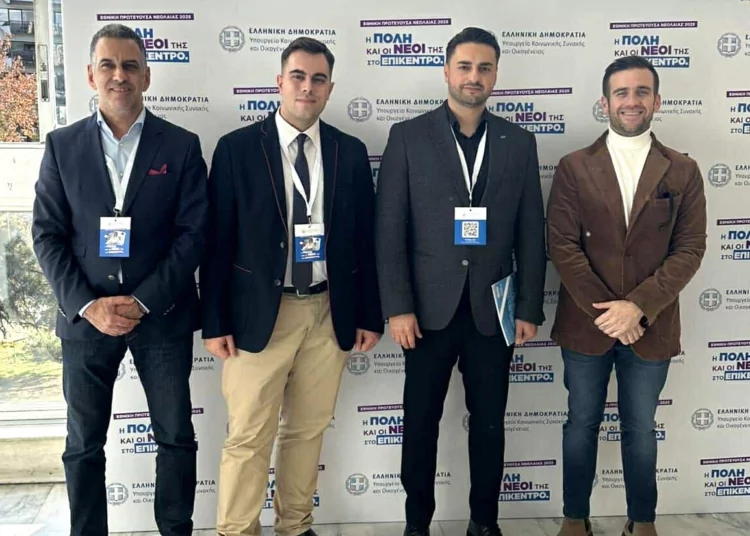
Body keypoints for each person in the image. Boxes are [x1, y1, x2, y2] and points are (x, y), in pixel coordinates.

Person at [200, 37, 383, 536]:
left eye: (318, 79)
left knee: (306, 432)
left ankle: (296, 527)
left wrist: (369, 314)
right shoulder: (237, 148)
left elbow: (364, 242)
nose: (307, 87)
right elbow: (216, 242)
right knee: (248, 436)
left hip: (327, 311)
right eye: (298, 77)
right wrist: (214, 321)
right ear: (279, 82)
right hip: (258, 316)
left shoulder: (349, 151)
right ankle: (237, 530)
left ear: (329, 88)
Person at [32, 23, 208, 536]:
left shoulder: (182, 146)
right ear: (90, 75)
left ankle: (175, 530)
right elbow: (46, 235)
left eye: (130, 65)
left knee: (175, 437)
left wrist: (144, 300)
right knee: (83, 445)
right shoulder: (62, 146)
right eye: (107, 65)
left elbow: (193, 235)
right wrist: (89, 305)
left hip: (161, 316)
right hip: (85, 320)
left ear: (146, 76)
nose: (119, 75)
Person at [375, 27, 546, 536]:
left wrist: (528, 308)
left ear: (495, 75)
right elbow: (390, 229)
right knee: (420, 425)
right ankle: (416, 525)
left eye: (484, 68)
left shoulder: (519, 141)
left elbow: (530, 232)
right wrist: (398, 306)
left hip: (493, 312)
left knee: (490, 425)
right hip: (426, 314)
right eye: (465, 66)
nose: (475, 76)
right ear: (447, 71)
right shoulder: (408, 136)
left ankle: (484, 522)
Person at [546, 56, 707, 536]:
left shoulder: (683, 169)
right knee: (580, 424)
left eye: (641, 92)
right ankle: (575, 518)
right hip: (586, 325)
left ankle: (643, 521)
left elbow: (690, 248)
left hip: (650, 325)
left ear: (657, 101)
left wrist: (637, 308)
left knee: (641, 428)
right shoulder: (574, 167)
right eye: (621, 92)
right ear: (605, 103)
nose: (631, 101)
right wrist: (610, 313)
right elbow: (562, 245)